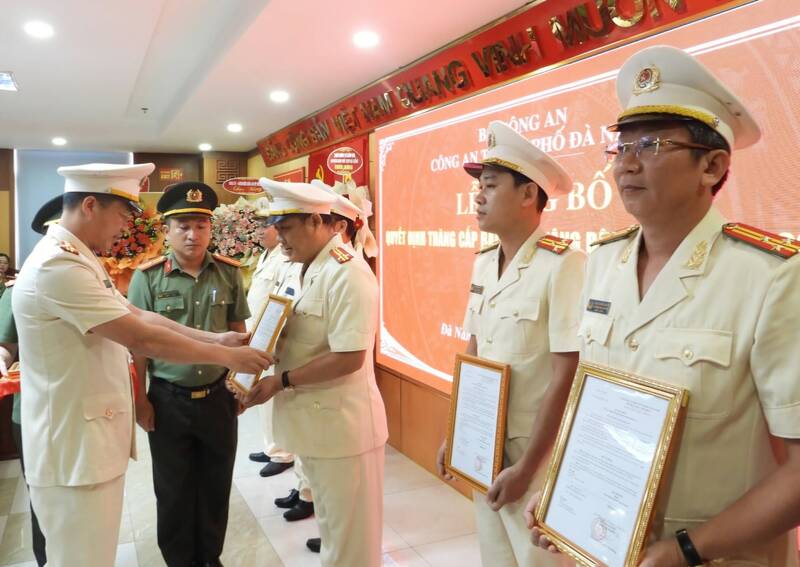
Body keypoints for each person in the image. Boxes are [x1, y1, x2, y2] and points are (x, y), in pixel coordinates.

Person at [528, 45, 800, 566]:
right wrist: (563, 491)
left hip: (719, 555)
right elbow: (597, 408)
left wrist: (687, 550)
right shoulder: (602, 263)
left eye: (651, 144)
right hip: (608, 542)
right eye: (621, 146)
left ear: (712, 166)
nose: (626, 163)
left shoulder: (770, 277)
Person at [12, 163, 272, 567]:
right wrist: (227, 356)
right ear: (91, 205)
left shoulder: (79, 260)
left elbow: (141, 316)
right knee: (80, 557)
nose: (125, 228)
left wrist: (215, 339)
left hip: (87, 443)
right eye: (123, 215)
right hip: (73, 450)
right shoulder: (58, 266)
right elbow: (141, 338)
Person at [429, 120, 584, 567]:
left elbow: (567, 373)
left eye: (491, 186)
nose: (478, 197)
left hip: (535, 456)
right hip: (485, 445)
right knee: (495, 557)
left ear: (528, 194)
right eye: (479, 186)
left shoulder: (564, 265)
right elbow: (474, 351)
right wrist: (457, 431)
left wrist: (529, 467)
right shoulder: (484, 262)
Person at [235, 178, 388, 565]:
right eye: (277, 227)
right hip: (315, 426)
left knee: (352, 544)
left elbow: (349, 357)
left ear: (318, 221)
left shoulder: (347, 273)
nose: (280, 237)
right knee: (334, 531)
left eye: (287, 227)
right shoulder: (301, 268)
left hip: (343, 430)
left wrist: (280, 382)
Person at [128, 182, 252, 567]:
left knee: (216, 483)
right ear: (166, 231)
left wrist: (241, 386)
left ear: (211, 229)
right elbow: (137, 347)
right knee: (173, 488)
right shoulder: (147, 278)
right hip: (168, 400)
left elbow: (238, 335)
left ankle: (210, 557)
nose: (192, 235)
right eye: (182, 226)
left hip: (218, 396)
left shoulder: (229, 273)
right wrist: (140, 400)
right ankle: (179, 560)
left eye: (200, 226)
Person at [0, 195, 61, 567]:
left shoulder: (96, 286)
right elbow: (6, 346)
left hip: (81, 411)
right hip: (34, 413)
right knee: (42, 497)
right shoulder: (19, 289)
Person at [246, 198, 297, 480]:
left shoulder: (285, 258)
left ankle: (282, 452)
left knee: (275, 398)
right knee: (262, 399)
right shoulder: (266, 255)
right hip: (257, 336)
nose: (259, 231)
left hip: (271, 338)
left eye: (264, 226)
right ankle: (270, 446)